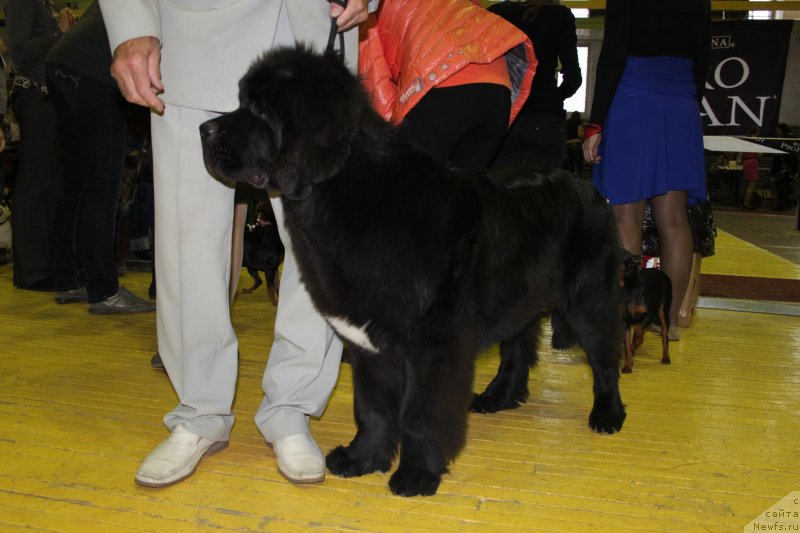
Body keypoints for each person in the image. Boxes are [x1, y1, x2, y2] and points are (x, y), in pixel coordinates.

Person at [98, 0, 378, 488]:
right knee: (188, 243)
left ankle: (292, 408)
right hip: (191, 40)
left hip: (315, 39)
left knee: (318, 246)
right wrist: (131, 26)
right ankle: (199, 411)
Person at [583, 0, 711, 341]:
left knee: (627, 216)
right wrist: (682, 103)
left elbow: (612, 57)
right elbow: (703, 61)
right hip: (681, 100)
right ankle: (667, 321)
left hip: (634, 95)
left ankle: (627, 319)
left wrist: (595, 123)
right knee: (674, 219)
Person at [45, 1, 156, 315]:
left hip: (60, 62)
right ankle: (104, 291)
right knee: (103, 187)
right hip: (95, 73)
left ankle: (68, 279)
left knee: (74, 182)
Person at [358, 0, 536, 170]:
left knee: (403, 188)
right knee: (462, 193)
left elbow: (375, 83)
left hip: (446, 80)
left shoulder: (365, 10)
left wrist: (389, 141)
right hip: (498, 87)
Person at [4, 0, 74, 291]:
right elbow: (18, 51)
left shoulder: (44, 3)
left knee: (51, 184)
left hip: (49, 99)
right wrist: (57, 32)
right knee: (35, 183)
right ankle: (32, 271)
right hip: (35, 98)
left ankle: (47, 266)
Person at [488, 0, 582, 169]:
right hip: (545, 117)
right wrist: (553, 97)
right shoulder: (560, 15)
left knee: (500, 190)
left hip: (504, 117)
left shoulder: (496, 12)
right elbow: (573, 79)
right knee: (544, 191)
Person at [769, 123, 798, 211]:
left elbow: (790, 154)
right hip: (786, 168)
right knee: (783, 187)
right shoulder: (789, 139)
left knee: (782, 187)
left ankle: (782, 205)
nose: (777, 133)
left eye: (778, 131)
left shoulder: (788, 139)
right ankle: (784, 203)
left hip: (785, 169)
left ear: (782, 130)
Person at [741, 126, 761, 211]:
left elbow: (741, 153)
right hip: (753, 161)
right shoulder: (756, 139)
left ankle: (748, 201)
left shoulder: (746, 139)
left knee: (750, 184)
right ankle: (746, 203)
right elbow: (759, 154)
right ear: (756, 132)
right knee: (752, 184)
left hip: (746, 161)